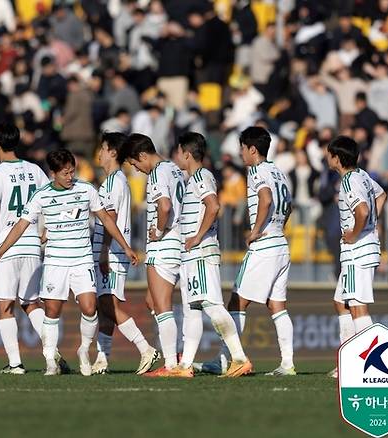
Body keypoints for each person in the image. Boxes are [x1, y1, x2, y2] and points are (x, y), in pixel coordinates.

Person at [0, 149, 138, 376]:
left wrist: (125, 246)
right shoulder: (41, 195)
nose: (70, 177)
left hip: (81, 259)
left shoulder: (86, 189)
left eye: (72, 172)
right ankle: (50, 361)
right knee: (52, 311)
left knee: (89, 307)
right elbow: (21, 225)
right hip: (56, 262)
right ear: (53, 173)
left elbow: (105, 218)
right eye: (65, 173)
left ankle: (84, 350)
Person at [175, 132, 252, 378]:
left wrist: (197, 236)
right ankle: (185, 365)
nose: (177, 156)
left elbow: (214, 205)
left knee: (211, 304)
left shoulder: (201, 176)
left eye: (179, 152)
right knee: (194, 308)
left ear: (186, 153)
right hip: (191, 255)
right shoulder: (193, 179)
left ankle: (239, 358)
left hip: (200, 253)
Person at [223, 126, 296, 376]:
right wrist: (278, 227)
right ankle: (287, 363)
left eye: (242, 148)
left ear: (252, 149)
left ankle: (230, 358)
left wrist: (254, 231)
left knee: (237, 301)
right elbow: (289, 206)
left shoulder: (256, 171)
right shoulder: (279, 172)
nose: (240, 153)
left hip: (264, 246)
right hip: (280, 244)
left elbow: (265, 199)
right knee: (278, 306)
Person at [0, 122, 54, 374]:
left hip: (7, 246)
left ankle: (15, 364)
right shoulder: (35, 170)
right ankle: (52, 354)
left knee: (5, 305)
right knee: (31, 303)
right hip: (32, 244)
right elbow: (49, 201)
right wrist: (45, 231)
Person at [90, 132, 159, 375]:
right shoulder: (119, 180)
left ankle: (145, 348)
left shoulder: (111, 182)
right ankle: (102, 359)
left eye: (102, 148)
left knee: (105, 304)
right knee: (107, 306)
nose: (98, 153)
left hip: (111, 252)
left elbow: (111, 219)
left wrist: (104, 252)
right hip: (115, 251)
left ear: (112, 152)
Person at [123, 133, 185, 376]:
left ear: (141, 155)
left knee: (162, 307)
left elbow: (165, 206)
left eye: (135, 164)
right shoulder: (175, 169)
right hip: (178, 242)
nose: (136, 170)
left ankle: (171, 363)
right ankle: (178, 355)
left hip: (164, 245)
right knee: (153, 302)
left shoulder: (158, 172)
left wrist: (158, 231)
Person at [326, 136, 386, 378]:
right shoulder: (362, 175)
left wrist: (355, 232)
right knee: (341, 302)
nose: (327, 157)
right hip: (363, 247)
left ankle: (373, 363)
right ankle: (348, 359)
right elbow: (381, 196)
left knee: (357, 306)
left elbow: (362, 209)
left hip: (357, 251)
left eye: (329, 154)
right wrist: (371, 224)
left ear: (337, 158)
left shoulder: (349, 182)